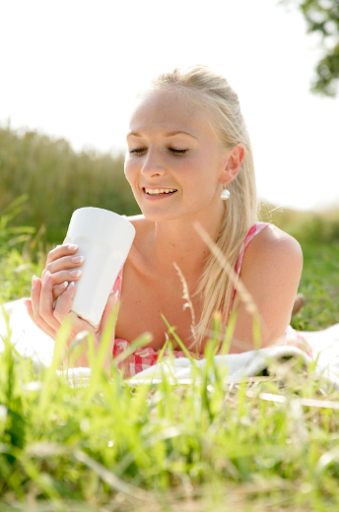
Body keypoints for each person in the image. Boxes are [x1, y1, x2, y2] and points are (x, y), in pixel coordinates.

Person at [23, 65, 312, 376]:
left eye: (177, 149)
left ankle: (285, 314)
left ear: (229, 164)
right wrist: (70, 336)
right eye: (137, 148)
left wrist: (97, 374)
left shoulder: (271, 254)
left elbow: (225, 402)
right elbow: (73, 392)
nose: (149, 168)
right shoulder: (108, 250)